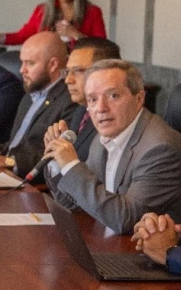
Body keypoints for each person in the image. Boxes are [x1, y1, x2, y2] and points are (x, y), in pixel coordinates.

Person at [44, 60, 181, 234]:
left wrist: (71, 165)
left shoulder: (159, 148)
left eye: (113, 96)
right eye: (92, 100)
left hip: (141, 254)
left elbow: (127, 220)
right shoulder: (105, 136)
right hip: (105, 241)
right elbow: (73, 203)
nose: (101, 108)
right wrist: (58, 161)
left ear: (139, 98)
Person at [0, 32, 76, 179]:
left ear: (53, 64)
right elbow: (19, 143)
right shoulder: (30, 94)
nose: (22, 70)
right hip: (7, 173)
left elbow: (55, 157)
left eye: (30, 63)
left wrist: (9, 161)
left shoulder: (69, 101)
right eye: (22, 62)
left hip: (29, 184)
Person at [44, 37, 121, 162]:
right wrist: (55, 152)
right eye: (67, 72)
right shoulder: (81, 109)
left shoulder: (114, 120)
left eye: (78, 71)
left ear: (105, 72)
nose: (68, 80)